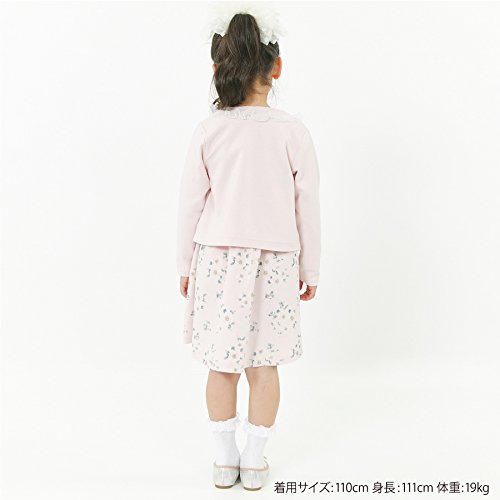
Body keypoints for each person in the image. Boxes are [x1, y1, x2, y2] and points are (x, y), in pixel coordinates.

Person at [176, 9, 321, 491]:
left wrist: (184, 265)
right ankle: (254, 461)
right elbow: (308, 206)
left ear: (216, 67)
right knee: (264, 366)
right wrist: (311, 268)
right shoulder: (293, 132)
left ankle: (224, 460)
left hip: (216, 261)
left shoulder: (208, 130)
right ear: (276, 67)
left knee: (221, 365)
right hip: (275, 263)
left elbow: (190, 205)